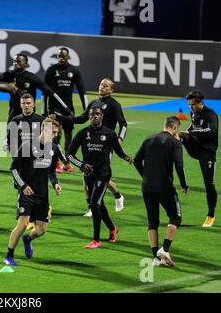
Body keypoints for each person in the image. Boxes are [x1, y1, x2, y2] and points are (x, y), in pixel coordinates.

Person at [67, 106, 132, 249]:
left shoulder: (109, 134)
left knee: (95, 204)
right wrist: (81, 164)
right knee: (99, 205)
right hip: (89, 175)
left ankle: (96, 240)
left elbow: (118, 151)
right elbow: (69, 154)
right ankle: (113, 229)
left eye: (97, 114)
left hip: (103, 174)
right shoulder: (83, 133)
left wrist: (126, 157)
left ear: (102, 116)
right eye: (91, 114)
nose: (94, 116)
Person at [4, 118, 63, 266]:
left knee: (41, 230)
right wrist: (23, 186)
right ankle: (9, 255)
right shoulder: (27, 146)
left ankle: (28, 239)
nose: (55, 135)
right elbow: (13, 168)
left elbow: (51, 171)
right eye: (53, 132)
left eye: (57, 133)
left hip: (42, 195)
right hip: (27, 193)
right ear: (45, 129)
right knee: (22, 224)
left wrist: (55, 183)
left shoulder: (54, 148)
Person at [134, 116, 189, 267]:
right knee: (175, 218)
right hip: (164, 187)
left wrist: (145, 176)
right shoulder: (175, 142)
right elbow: (179, 165)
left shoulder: (148, 139)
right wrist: (184, 184)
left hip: (147, 187)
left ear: (165, 125)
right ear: (175, 128)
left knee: (152, 222)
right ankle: (164, 249)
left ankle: (156, 258)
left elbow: (137, 160)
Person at [73, 78, 127, 216]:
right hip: (91, 143)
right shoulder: (94, 103)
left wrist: (120, 138)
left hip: (106, 145)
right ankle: (92, 206)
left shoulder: (114, 105)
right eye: (101, 84)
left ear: (111, 90)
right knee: (86, 176)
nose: (102, 87)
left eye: (106, 85)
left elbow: (123, 124)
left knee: (100, 177)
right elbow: (82, 118)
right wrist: (64, 118)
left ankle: (117, 196)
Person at [0, 53, 73, 124]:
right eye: (14, 61)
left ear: (26, 63)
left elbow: (51, 92)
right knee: (11, 139)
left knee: (31, 140)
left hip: (30, 115)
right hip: (14, 113)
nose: (15, 63)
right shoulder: (9, 75)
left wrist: (67, 109)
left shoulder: (32, 78)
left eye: (19, 61)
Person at [45, 47, 88, 173]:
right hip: (54, 108)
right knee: (55, 135)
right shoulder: (51, 70)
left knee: (69, 135)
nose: (61, 59)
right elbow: (44, 92)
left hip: (69, 109)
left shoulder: (74, 71)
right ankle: (56, 163)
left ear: (68, 57)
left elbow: (82, 90)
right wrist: (44, 110)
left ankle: (66, 163)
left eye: (64, 56)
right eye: (59, 56)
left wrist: (86, 109)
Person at [179, 90, 218, 227]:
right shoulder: (193, 112)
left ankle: (211, 214)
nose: (191, 108)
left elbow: (211, 131)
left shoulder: (210, 114)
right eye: (189, 105)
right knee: (179, 136)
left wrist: (191, 132)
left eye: (193, 105)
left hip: (207, 152)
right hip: (195, 148)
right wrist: (187, 131)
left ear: (201, 103)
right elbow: (193, 126)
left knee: (209, 184)